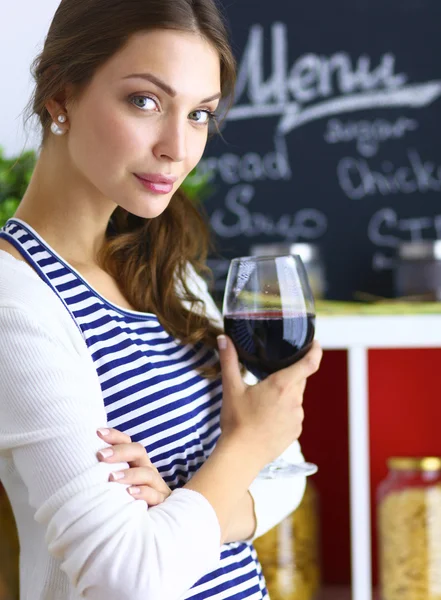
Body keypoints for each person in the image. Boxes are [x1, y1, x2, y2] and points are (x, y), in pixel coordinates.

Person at [0, 0, 323, 598]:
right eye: (145, 101)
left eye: (199, 114)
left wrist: (175, 509)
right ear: (61, 96)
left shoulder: (164, 271)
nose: (178, 146)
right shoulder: (16, 307)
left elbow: (287, 475)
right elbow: (127, 579)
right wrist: (243, 448)